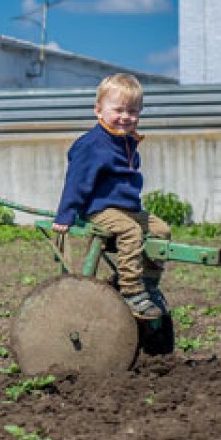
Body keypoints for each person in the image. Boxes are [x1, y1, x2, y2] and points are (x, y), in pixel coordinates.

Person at [52, 73, 170, 319]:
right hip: (100, 209)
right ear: (98, 110)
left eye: (133, 111)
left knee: (161, 231)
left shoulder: (126, 142)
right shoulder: (92, 144)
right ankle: (131, 291)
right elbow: (77, 182)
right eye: (118, 110)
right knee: (131, 232)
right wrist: (65, 215)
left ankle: (146, 282)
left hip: (127, 209)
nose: (125, 117)